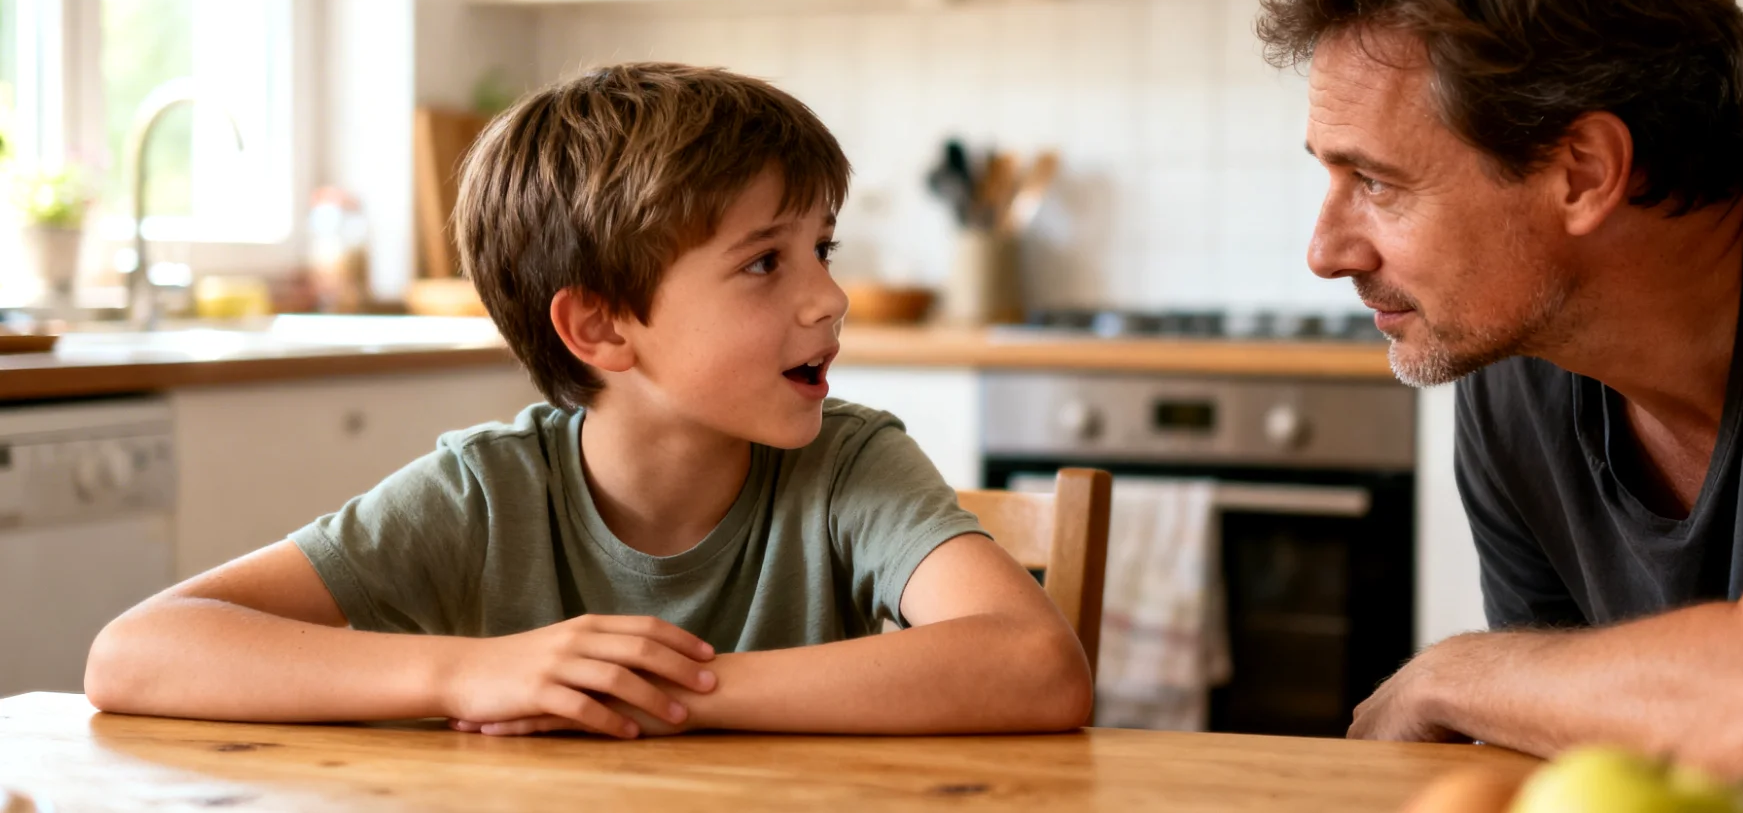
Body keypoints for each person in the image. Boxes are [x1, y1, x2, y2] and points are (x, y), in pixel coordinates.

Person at [84, 63, 1092, 738]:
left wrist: (664, 693)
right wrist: (465, 675)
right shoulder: (482, 494)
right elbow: (135, 654)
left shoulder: (851, 466)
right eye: (763, 264)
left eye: (820, 250)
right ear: (601, 328)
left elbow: (1036, 664)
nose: (827, 298)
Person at [1258, 0, 1743, 774]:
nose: (1327, 250)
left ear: (1582, 171)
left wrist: (1447, 675)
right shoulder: (1519, 362)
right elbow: (1567, 752)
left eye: (1378, 182)